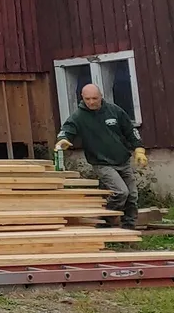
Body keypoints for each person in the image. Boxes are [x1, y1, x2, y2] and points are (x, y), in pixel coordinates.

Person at [54, 83, 148, 230]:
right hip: (101, 162)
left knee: (132, 196)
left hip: (122, 159)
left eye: (94, 98)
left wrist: (139, 149)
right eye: (88, 99)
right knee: (120, 192)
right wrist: (63, 140)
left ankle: (129, 227)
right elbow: (66, 130)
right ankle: (105, 222)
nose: (91, 102)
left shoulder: (114, 111)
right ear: (82, 98)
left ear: (101, 96)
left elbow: (130, 130)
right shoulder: (79, 117)